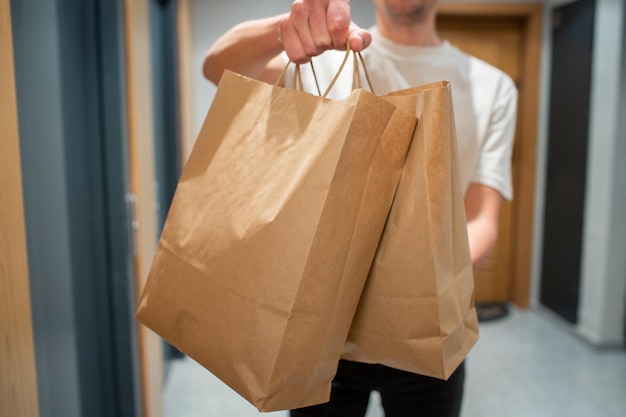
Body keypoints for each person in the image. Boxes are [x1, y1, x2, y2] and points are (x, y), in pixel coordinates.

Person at [203, 1, 517, 416]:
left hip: (429, 329)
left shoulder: (492, 85)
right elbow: (217, 69)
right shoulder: (327, 58)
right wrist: (287, 28)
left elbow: (480, 218)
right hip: (321, 331)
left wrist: (422, 284)